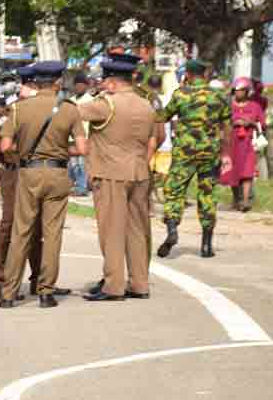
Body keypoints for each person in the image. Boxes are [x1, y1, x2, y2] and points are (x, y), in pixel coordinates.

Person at [0, 61, 86, 309]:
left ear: (36, 83)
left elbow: (5, 147)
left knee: (21, 232)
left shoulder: (19, 109)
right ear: (58, 82)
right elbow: (82, 148)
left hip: (29, 172)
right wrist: (60, 152)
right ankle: (46, 292)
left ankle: (8, 293)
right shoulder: (69, 109)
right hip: (57, 174)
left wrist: (24, 153)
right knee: (52, 234)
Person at [77, 54, 158, 300]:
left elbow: (71, 114)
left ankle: (113, 286)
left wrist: (91, 95)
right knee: (137, 230)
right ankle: (139, 283)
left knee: (112, 231)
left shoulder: (106, 104)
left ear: (112, 83)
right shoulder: (147, 105)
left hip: (111, 173)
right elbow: (155, 137)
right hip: (140, 172)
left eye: (104, 81)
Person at [154, 59, 228, 258]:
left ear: (187, 73)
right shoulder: (218, 96)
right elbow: (225, 126)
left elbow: (163, 116)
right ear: (205, 74)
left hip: (184, 153)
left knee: (174, 191)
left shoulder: (181, 94)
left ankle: (172, 230)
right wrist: (226, 152)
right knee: (207, 195)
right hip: (209, 153)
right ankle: (206, 245)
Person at [0, 66, 43, 300]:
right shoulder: (8, 114)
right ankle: (1, 280)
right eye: (32, 86)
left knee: (36, 226)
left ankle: (38, 280)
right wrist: (12, 161)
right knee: (10, 225)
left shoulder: (39, 111)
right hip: (15, 174)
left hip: (32, 173)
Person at [221, 77, 262, 212]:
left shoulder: (255, 106)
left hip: (248, 144)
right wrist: (234, 123)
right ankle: (235, 200)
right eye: (236, 90)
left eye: (241, 91)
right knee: (233, 171)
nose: (238, 93)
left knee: (247, 172)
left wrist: (251, 123)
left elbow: (263, 124)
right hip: (232, 144)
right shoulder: (228, 106)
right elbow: (221, 122)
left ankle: (245, 201)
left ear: (247, 91)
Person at [67, 73, 94, 196]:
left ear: (86, 86)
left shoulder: (91, 100)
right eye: (76, 85)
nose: (78, 87)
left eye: (81, 85)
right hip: (71, 136)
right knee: (73, 163)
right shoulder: (70, 100)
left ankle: (82, 188)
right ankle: (74, 185)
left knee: (82, 163)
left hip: (86, 136)